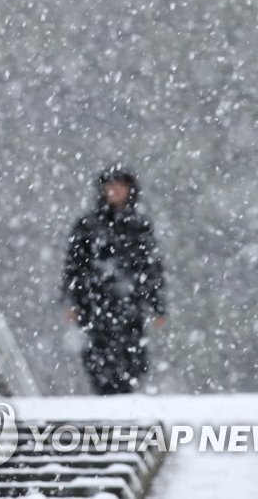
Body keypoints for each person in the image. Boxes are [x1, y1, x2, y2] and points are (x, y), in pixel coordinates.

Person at [62, 164, 166, 395]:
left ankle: (124, 400)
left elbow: (151, 267)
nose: (114, 191)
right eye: (109, 186)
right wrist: (71, 300)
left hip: (129, 307)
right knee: (98, 361)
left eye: (120, 186)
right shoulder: (88, 226)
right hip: (94, 304)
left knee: (131, 360)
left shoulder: (139, 227)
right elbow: (74, 266)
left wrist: (157, 305)